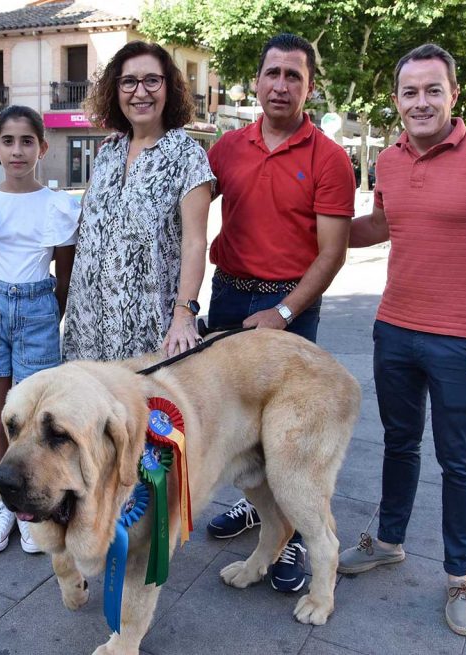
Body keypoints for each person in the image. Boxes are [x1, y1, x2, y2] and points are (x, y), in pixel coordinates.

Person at [339, 44, 466, 636]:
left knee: (459, 461)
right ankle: (389, 541)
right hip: (394, 328)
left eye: (433, 90)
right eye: (410, 92)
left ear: (454, 95)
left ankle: (459, 576)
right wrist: (314, 229)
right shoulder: (389, 160)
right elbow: (381, 224)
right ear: (396, 100)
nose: (421, 102)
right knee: (398, 444)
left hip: (461, 341)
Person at [203, 33, 355, 594]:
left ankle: (293, 535)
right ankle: (261, 510)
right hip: (227, 297)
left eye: (294, 75)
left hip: (291, 305)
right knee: (237, 426)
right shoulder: (227, 147)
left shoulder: (329, 159)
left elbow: (332, 253)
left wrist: (284, 312)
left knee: (290, 436)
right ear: (257, 81)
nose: (281, 85)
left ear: (309, 86)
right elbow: (186, 209)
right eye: (273, 73)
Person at [0, 105, 80, 555]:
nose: (17, 151)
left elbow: (64, 277)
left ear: (41, 147)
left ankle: (28, 508)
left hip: (38, 316)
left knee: (31, 424)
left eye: (27, 141)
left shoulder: (60, 206)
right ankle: (3, 506)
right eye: (8, 141)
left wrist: (44, 313)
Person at [62, 41, 214, 361]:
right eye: (129, 81)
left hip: (147, 329)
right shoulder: (107, 153)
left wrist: (185, 315)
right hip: (88, 326)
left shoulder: (188, 157)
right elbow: (87, 225)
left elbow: (194, 243)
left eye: (152, 81)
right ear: (115, 90)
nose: (140, 92)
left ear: (168, 88)